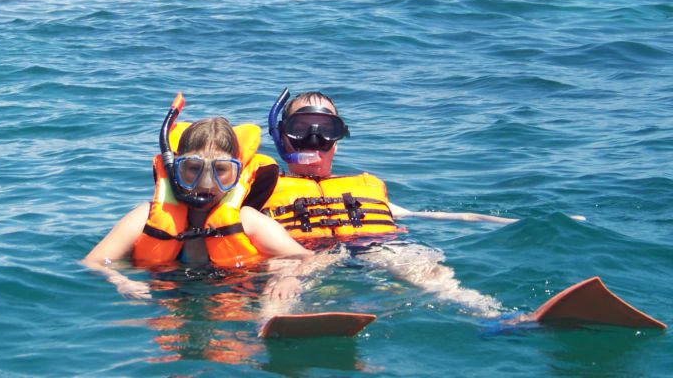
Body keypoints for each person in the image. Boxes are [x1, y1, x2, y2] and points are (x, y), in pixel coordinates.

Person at [261, 88, 523, 316]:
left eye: (327, 129)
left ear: (338, 142)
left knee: (425, 270)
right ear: (282, 137)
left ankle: (493, 315)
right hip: (300, 251)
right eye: (300, 129)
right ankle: (273, 322)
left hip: (372, 245)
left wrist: (516, 222)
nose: (314, 138)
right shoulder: (264, 188)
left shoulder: (364, 188)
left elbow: (451, 217)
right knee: (282, 277)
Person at [84, 96, 314, 301]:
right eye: (193, 168)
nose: (206, 182)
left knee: (281, 269)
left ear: (238, 174)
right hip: (169, 299)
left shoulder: (248, 221)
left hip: (237, 297)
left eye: (221, 170)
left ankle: (271, 322)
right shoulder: (144, 217)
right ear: (175, 170)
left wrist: (287, 278)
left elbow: (307, 258)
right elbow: (92, 263)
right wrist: (121, 281)